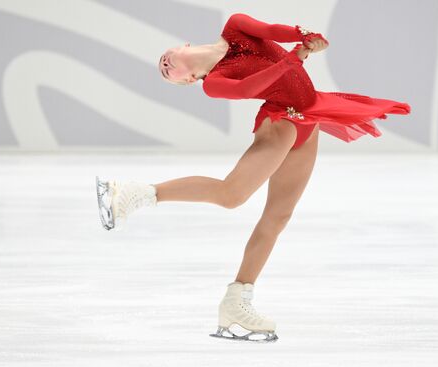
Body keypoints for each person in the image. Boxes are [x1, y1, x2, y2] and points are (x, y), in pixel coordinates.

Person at [96, 12, 411, 342]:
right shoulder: (214, 84)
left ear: (183, 45)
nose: (164, 67)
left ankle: (236, 301)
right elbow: (252, 86)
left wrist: (304, 35)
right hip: (281, 121)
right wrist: (294, 58)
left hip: (309, 117)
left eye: (165, 63)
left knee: (278, 217)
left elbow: (272, 30)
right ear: (190, 79)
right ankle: (131, 194)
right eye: (168, 75)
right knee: (232, 195)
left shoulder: (234, 26)